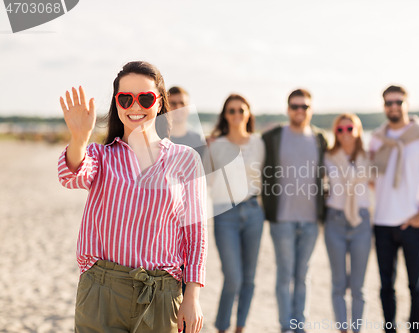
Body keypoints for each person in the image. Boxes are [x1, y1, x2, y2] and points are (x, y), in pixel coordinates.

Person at [57, 61, 207, 333]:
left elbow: (195, 233)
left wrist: (192, 295)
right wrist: (79, 138)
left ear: (159, 103)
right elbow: (72, 175)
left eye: (145, 98)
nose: (135, 106)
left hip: (162, 294)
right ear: (117, 104)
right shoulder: (99, 156)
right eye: (125, 99)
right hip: (101, 291)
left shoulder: (186, 159)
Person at [369, 85, 419, 333]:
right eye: (388, 103)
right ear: (384, 106)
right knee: (386, 286)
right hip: (382, 222)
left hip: (413, 223)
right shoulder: (377, 139)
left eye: (398, 102)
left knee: (416, 286)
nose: (393, 107)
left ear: (406, 104)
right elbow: (372, 177)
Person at [261, 89, 328, 333]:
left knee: (303, 276)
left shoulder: (320, 139)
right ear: (288, 109)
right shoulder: (273, 137)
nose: (300, 111)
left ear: (310, 110)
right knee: (284, 275)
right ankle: (285, 326)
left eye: (305, 107)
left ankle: (300, 326)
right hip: (282, 220)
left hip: (311, 221)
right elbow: (246, 150)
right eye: (295, 106)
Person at [204, 94, 265, 333]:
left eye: (241, 110)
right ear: (225, 115)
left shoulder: (259, 143)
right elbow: (206, 181)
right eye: (232, 111)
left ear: (248, 113)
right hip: (224, 213)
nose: (237, 114)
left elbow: (265, 177)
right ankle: (221, 327)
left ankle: (240, 328)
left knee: (249, 278)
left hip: (253, 212)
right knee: (233, 277)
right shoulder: (215, 145)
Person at [323, 114, 373, 333]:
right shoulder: (327, 157)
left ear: (358, 130)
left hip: (361, 222)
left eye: (349, 128)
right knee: (338, 284)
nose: (345, 133)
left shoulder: (369, 157)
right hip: (335, 221)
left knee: (358, 287)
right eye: (340, 129)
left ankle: (357, 329)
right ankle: (342, 329)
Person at [167, 86, 206, 156]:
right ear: (166, 107)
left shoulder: (198, 140)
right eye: (173, 103)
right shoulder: (158, 138)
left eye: (182, 103)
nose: (178, 108)